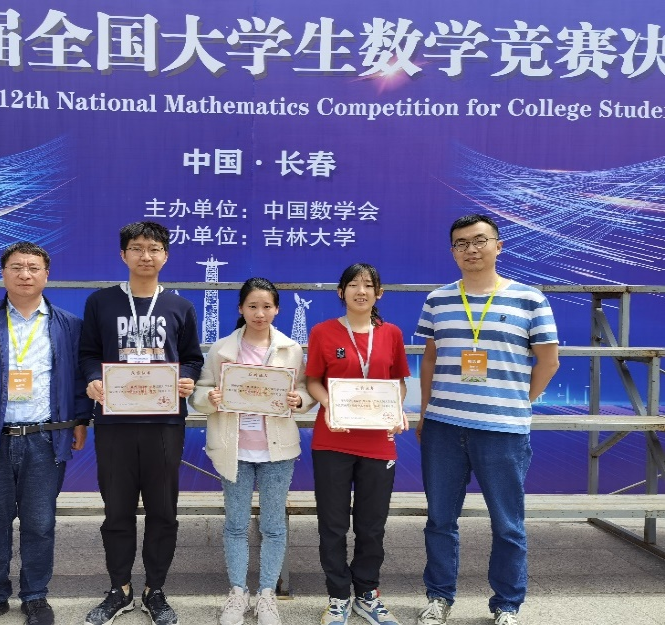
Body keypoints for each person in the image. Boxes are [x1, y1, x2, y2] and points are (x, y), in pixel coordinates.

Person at [414, 214, 559, 625]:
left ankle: (507, 604)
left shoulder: (530, 299)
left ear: (498, 245)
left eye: (479, 240)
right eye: (461, 244)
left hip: (503, 431)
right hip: (443, 426)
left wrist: (518, 402)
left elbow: (548, 361)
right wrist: (425, 413)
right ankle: (439, 597)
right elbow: (430, 360)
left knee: (508, 524)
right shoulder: (438, 300)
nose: (471, 250)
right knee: (440, 520)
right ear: (452, 252)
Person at [0, 241, 91, 625]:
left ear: (47, 274)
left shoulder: (68, 324)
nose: (25, 274)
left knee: (40, 524)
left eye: (33, 268)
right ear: (3, 273)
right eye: (17, 267)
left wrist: (80, 420)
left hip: (45, 438)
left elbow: (79, 381)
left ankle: (35, 597)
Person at [79, 222, 204, 625]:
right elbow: (87, 353)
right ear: (123, 255)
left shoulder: (180, 307)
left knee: (163, 510)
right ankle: (119, 589)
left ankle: (155, 590)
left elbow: (193, 358)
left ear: (165, 255)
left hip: (164, 424)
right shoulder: (101, 302)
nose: (145, 255)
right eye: (136, 248)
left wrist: (187, 377)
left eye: (153, 248)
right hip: (114, 422)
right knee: (116, 509)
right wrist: (92, 379)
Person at [190, 278, 314, 625]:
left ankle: (267, 593)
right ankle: (238, 591)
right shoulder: (222, 349)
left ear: (277, 309)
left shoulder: (291, 349)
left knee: (273, 525)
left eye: (267, 306)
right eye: (253, 306)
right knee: (235, 524)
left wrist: (299, 400)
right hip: (235, 449)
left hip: (278, 451)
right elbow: (199, 392)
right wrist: (209, 397)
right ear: (241, 309)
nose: (260, 313)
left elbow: (305, 390)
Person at [305, 263, 410, 625]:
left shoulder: (391, 334)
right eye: (353, 285)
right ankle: (337, 597)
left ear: (379, 293)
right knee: (332, 525)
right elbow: (313, 381)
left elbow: (398, 383)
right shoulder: (323, 332)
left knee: (371, 525)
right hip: (332, 441)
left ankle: (367, 594)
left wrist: (397, 411)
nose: (360, 291)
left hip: (379, 443)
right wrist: (330, 405)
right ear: (341, 292)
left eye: (368, 285)